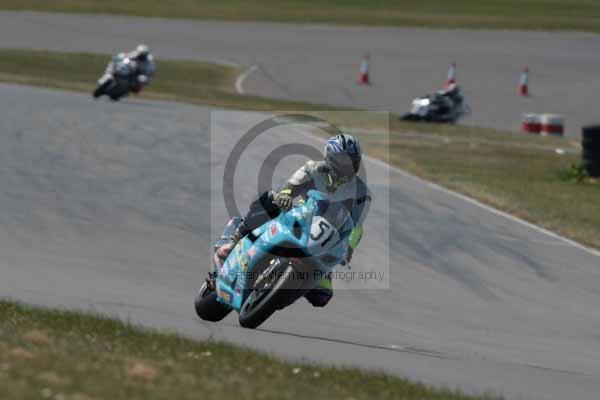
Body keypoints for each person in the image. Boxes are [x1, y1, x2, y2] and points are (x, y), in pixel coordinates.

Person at [215, 134, 371, 307]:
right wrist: (285, 196)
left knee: (321, 296)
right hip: (300, 217)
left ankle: (276, 297)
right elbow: (289, 187)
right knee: (269, 200)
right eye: (344, 160)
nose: (350, 165)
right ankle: (234, 240)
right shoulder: (313, 169)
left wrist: (349, 247)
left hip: (324, 241)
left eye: (353, 160)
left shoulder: (361, 192)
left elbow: (356, 226)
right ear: (331, 157)